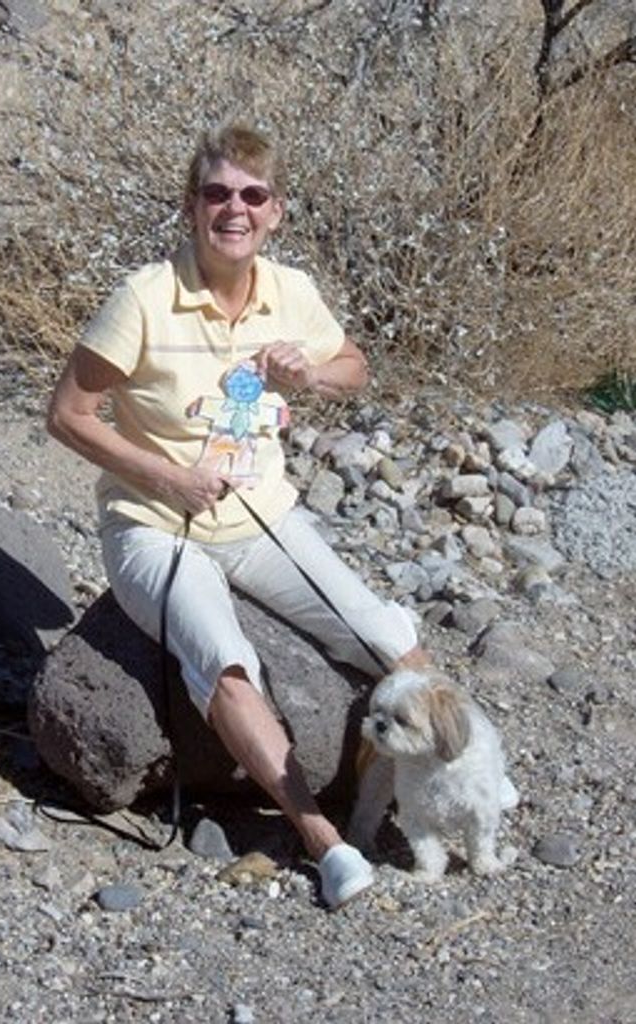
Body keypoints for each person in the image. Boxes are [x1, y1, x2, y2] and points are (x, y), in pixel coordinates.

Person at [47, 122, 430, 910]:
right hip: (156, 525)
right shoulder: (144, 298)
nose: (235, 209)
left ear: (275, 211)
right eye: (217, 193)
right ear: (191, 206)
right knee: (222, 660)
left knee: (385, 637)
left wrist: (309, 371)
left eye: (253, 196)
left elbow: (354, 368)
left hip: (263, 517)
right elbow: (67, 415)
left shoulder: (289, 292)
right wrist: (167, 476)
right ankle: (323, 842)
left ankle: (455, 782)